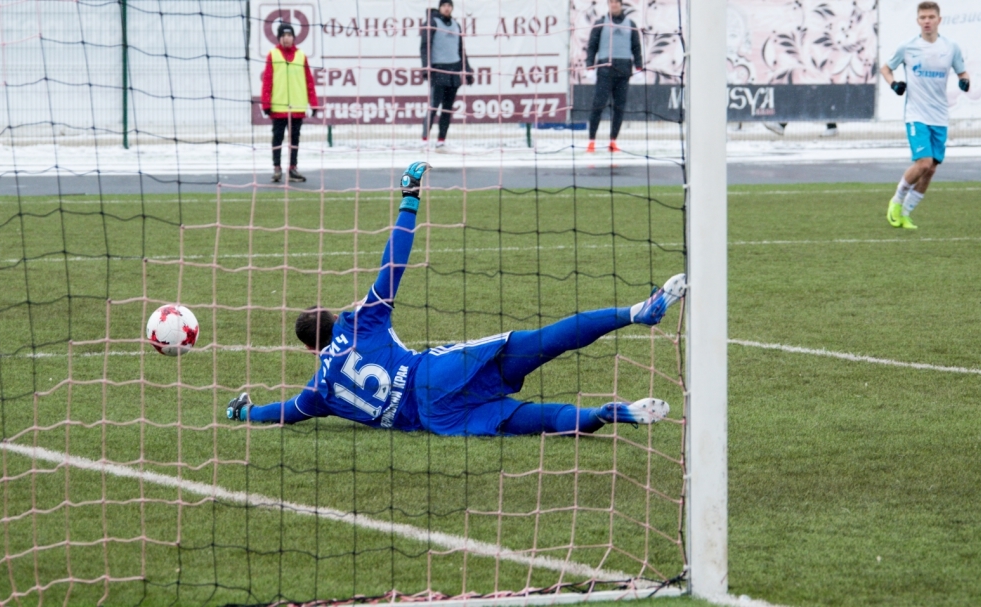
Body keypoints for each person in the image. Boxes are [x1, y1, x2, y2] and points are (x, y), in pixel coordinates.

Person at [226, 162, 687, 437]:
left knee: (525, 420)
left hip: (437, 422)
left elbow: (280, 413)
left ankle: (600, 416)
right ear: (332, 317)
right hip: (432, 373)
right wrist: (409, 197)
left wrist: (245, 411)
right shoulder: (359, 323)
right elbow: (394, 263)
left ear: (311, 350)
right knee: (545, 341)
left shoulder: (319, 392)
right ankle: (636, 313)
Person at [881, 1, 969, 230]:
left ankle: (906, 214)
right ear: (918, 21)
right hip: (916, 114)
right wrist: (894, 85)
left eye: (931, 17)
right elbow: (885, 68)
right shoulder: (907, 47)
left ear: (939, 20)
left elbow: (962, 71)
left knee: (931, 170)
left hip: (940, 116)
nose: (927, 21)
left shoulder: (951, 47)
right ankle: (896, 201)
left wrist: (964, 81)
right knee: (923, 163)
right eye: (923, 17)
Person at [261, 22, 318, 183]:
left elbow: (308, 81)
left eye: (289, 35)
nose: (287, 38)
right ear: (279, 38)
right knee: (277, 139)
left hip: (297, 108)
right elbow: (267, 80)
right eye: (284, 35)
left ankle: (292, 168)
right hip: (278, 108)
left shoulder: (301, 56)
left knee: (294, 140)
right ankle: (277, 168)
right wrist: (266, 103)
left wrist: (313, 103)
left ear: (293, 37)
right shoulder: (273, 55)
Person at [585, 0, 643, 153]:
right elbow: (592, 46)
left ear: (620, 4)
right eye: (611, 2)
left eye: (616, 2)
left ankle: (613, 141)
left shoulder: (630, 24)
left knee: (619, 108)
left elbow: (636, 47)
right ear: (608, 4)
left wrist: (638, 67)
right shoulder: (600, 23)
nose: (614, 4)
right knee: (598, 105)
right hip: (605, 71)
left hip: (623, 72)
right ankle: (591, 141)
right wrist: (590, 67)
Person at [420, 0, 474, 149]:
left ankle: (441, 140)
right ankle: (425, 139)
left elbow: (461, 50)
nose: (446, 8)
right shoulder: (432, 23)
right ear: (440, 7)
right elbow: (425, 47)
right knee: (434, 106)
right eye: (444, 5)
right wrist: (426, 68)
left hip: (454, 71)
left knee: (447, 109)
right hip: (439, 70)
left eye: (449, 5)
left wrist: (467, 70)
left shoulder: (456, 25)